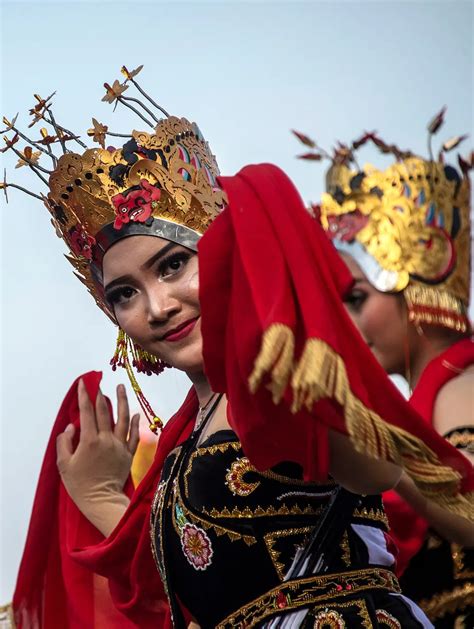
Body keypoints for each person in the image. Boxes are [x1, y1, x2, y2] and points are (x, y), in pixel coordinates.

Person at [3, 70, 472, 628]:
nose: (157, 307)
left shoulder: (286, 374)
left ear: (229, 248)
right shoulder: (187, 435)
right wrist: (102, 493)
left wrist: (360, 442)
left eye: (174, 264)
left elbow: (419, 489)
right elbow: (207, 582)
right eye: (125, 294)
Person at [309, 123, 474, 627]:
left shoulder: (460, 384)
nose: (348, 327)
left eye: (357, 299)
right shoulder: (433, 394)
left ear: (415, 285)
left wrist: (387, 452)